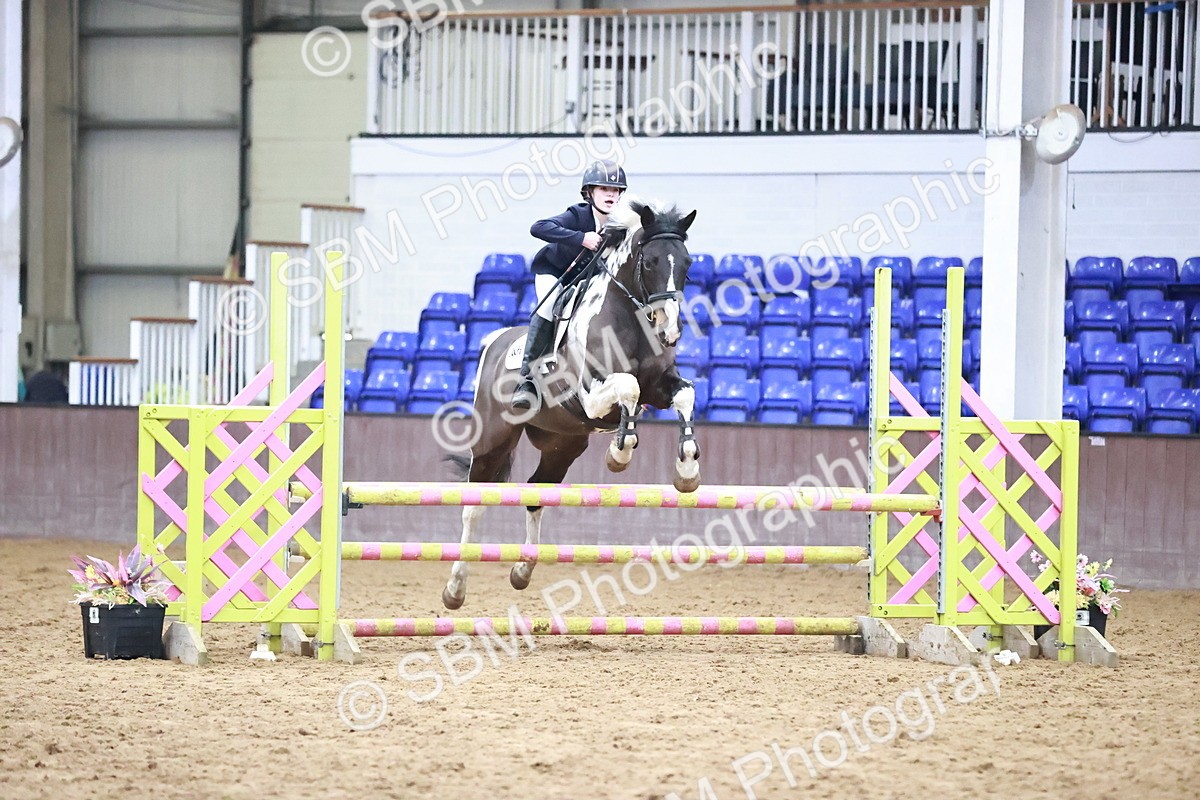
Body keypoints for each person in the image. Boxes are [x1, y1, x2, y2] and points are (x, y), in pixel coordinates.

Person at [510, 160, 627, 411]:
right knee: (549, 306)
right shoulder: (578, 215)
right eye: (604, 189)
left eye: (615, 190)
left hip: (589, 281)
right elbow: (538, 227)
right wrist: (581, 238)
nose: (611, 194)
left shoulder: (621, 224)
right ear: (590, 193)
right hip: (555, 273)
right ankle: (526, 380)